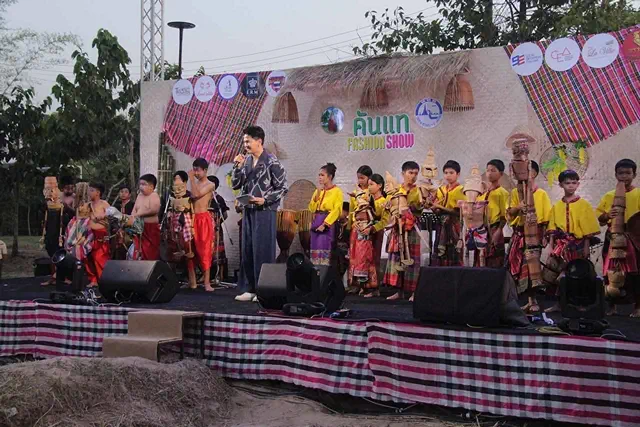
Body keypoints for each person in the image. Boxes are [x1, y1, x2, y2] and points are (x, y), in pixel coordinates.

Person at [232, 126, 288, 302]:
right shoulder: (246, 161)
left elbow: (283, 188)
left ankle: (263, 289)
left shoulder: (272, 161)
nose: (245, 145)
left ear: (259, 141)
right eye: (244, 142)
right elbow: (235, 184)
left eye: (248, 141)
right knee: (247, 249)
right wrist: (237, 167)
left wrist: (265, 200)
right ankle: (249, 288)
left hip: (265, 211)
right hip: (248, 210)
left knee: (262, 249)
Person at [545, 170, 600, 312]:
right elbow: (552, 228)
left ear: (578, 184)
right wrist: (551, 246)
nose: (570, 186)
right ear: (561, 185)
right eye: (567, 183)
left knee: (578, 274)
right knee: (556, 275)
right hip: (561, 245)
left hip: (578, 245)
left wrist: (586, 246)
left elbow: (588, 228)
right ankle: (559, 304)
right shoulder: (557, 206)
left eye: (573, 183)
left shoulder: (584, 205)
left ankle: (579, 304)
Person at [596, 159, 640, 317]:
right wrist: (608, 215)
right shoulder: (609, 195)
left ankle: (638, 307)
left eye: (628, 173)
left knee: (635, 272)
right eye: (621, 173)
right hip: (613, 236)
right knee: (611, 272)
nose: (624, 176)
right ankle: (612, 306)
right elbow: (600, 219)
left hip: (633, 237)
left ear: (634, 175)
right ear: (616, 175)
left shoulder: (638, 194)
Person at [506, 160, 551, 313]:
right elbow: (509, 214)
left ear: (534, 173)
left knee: (532, 268)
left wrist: (544, 236)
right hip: (519, 234)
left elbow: (546, 219)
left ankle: (533, 300)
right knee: (516, 268)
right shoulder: (514, 193)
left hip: (533, 236)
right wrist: (518, 207)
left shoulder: (541, 194)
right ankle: (518, 300)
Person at [384, 161, 423, 301]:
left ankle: (413, 292)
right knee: (397, 258)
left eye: (415, 173)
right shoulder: (396, 189)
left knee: (412, 259)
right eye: (410, 173)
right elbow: (389, 208)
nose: (413, 176)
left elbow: (419, 207)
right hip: (397, 228)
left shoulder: (418, 191)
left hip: (412, 228)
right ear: (403, 173)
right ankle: (399, 291)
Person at [185, 159, 216, 291]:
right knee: (190, 249)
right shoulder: (195, 183)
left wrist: (191, 179)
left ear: (205, 170)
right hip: (192, 218)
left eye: (198, 170)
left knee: (205, 250)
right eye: (194, 170)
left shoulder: (210, 184)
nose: (195, 173)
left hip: (203, 219)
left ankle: (207, 282)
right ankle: (193, 281)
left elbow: (196, 194)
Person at [40, 178, 75, 286]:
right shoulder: (47, 202)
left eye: (53, 188)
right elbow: (42, 216)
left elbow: (74, 215)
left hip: (62, 232)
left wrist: (66, 207)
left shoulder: (70, 200)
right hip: (50, 232)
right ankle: (54, 276)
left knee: (62, 253)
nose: (51, 191)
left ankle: (65, 277)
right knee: (51, 252)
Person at [308, 163, 344, 266]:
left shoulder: (337, 191)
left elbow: (337, 210)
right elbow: (311, 208)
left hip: (327, 223)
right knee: (315, 249)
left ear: (330, 177)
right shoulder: (318, 191)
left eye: (322, 175)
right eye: (319, 175)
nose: (320, 177)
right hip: (316, 222)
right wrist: (316, 198)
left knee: (324, 248)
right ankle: (315, 272)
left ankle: (324, 272)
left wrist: (325, 224)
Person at [431, 160, 465, 266]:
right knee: (440, 252)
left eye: (451, 173)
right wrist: (433, 207)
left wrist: (439, 207)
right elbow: (436, 209)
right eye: (445, 173)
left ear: (458, 174)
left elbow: (458, 212)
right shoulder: (440, 190)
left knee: (454, 251)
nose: (448, 175)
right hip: (441, 224)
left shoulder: (461, 190)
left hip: (454, 224)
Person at [476, 159, 509, 267]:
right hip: (481, 229)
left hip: (494, 228)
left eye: (493, 170)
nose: (489, 173)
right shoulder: (482, 192)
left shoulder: (502, 192)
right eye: (488, 170)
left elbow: (504, 215)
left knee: (494, 259)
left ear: (501, 174)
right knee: (480, 260)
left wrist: (498, 231)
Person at [85, 182, 111, 287]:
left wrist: (102, 217)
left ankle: (103, 279)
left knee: (99, 257)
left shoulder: (104, 204)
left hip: (101, 234)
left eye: (92, 190)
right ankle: (93, 280)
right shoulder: (87, 205)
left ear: (98, 193)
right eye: (89, 190)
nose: (89, 192)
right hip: (89, 234)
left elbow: (112, 215)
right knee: (88, 257)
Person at [131, 174, 161, 261]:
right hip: (139, 227)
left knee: (150, 252)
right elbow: (134, 210)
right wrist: (132, 217)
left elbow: (154, 210)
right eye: (140, 184)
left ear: (151, 186)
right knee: (137, 251)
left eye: (144, 184)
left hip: (150, 228)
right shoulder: (139, 196)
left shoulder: (154, 195)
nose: (141, 186)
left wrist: (140, 214)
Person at [208, 175, 230, 282]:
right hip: (204, 229)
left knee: (218, 252)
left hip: (215, 229)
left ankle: (219, 275)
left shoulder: (219, 199)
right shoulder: (202, 198)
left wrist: (217, 223)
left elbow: (225, 215)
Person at [112, 184, 135, 260]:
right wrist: (117, 229)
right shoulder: (116, 206)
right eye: (121, 192)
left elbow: (134, 219)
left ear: (129, 194)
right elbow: (113, 220)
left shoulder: (133, 205)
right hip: (117, 233)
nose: (123, 194)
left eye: (126, 192)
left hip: (130, 233)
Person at [335, 202, 351, 280]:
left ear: (346, 213)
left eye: (340, 211)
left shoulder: (350, 225)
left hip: (346, 251)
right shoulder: (336, 224)